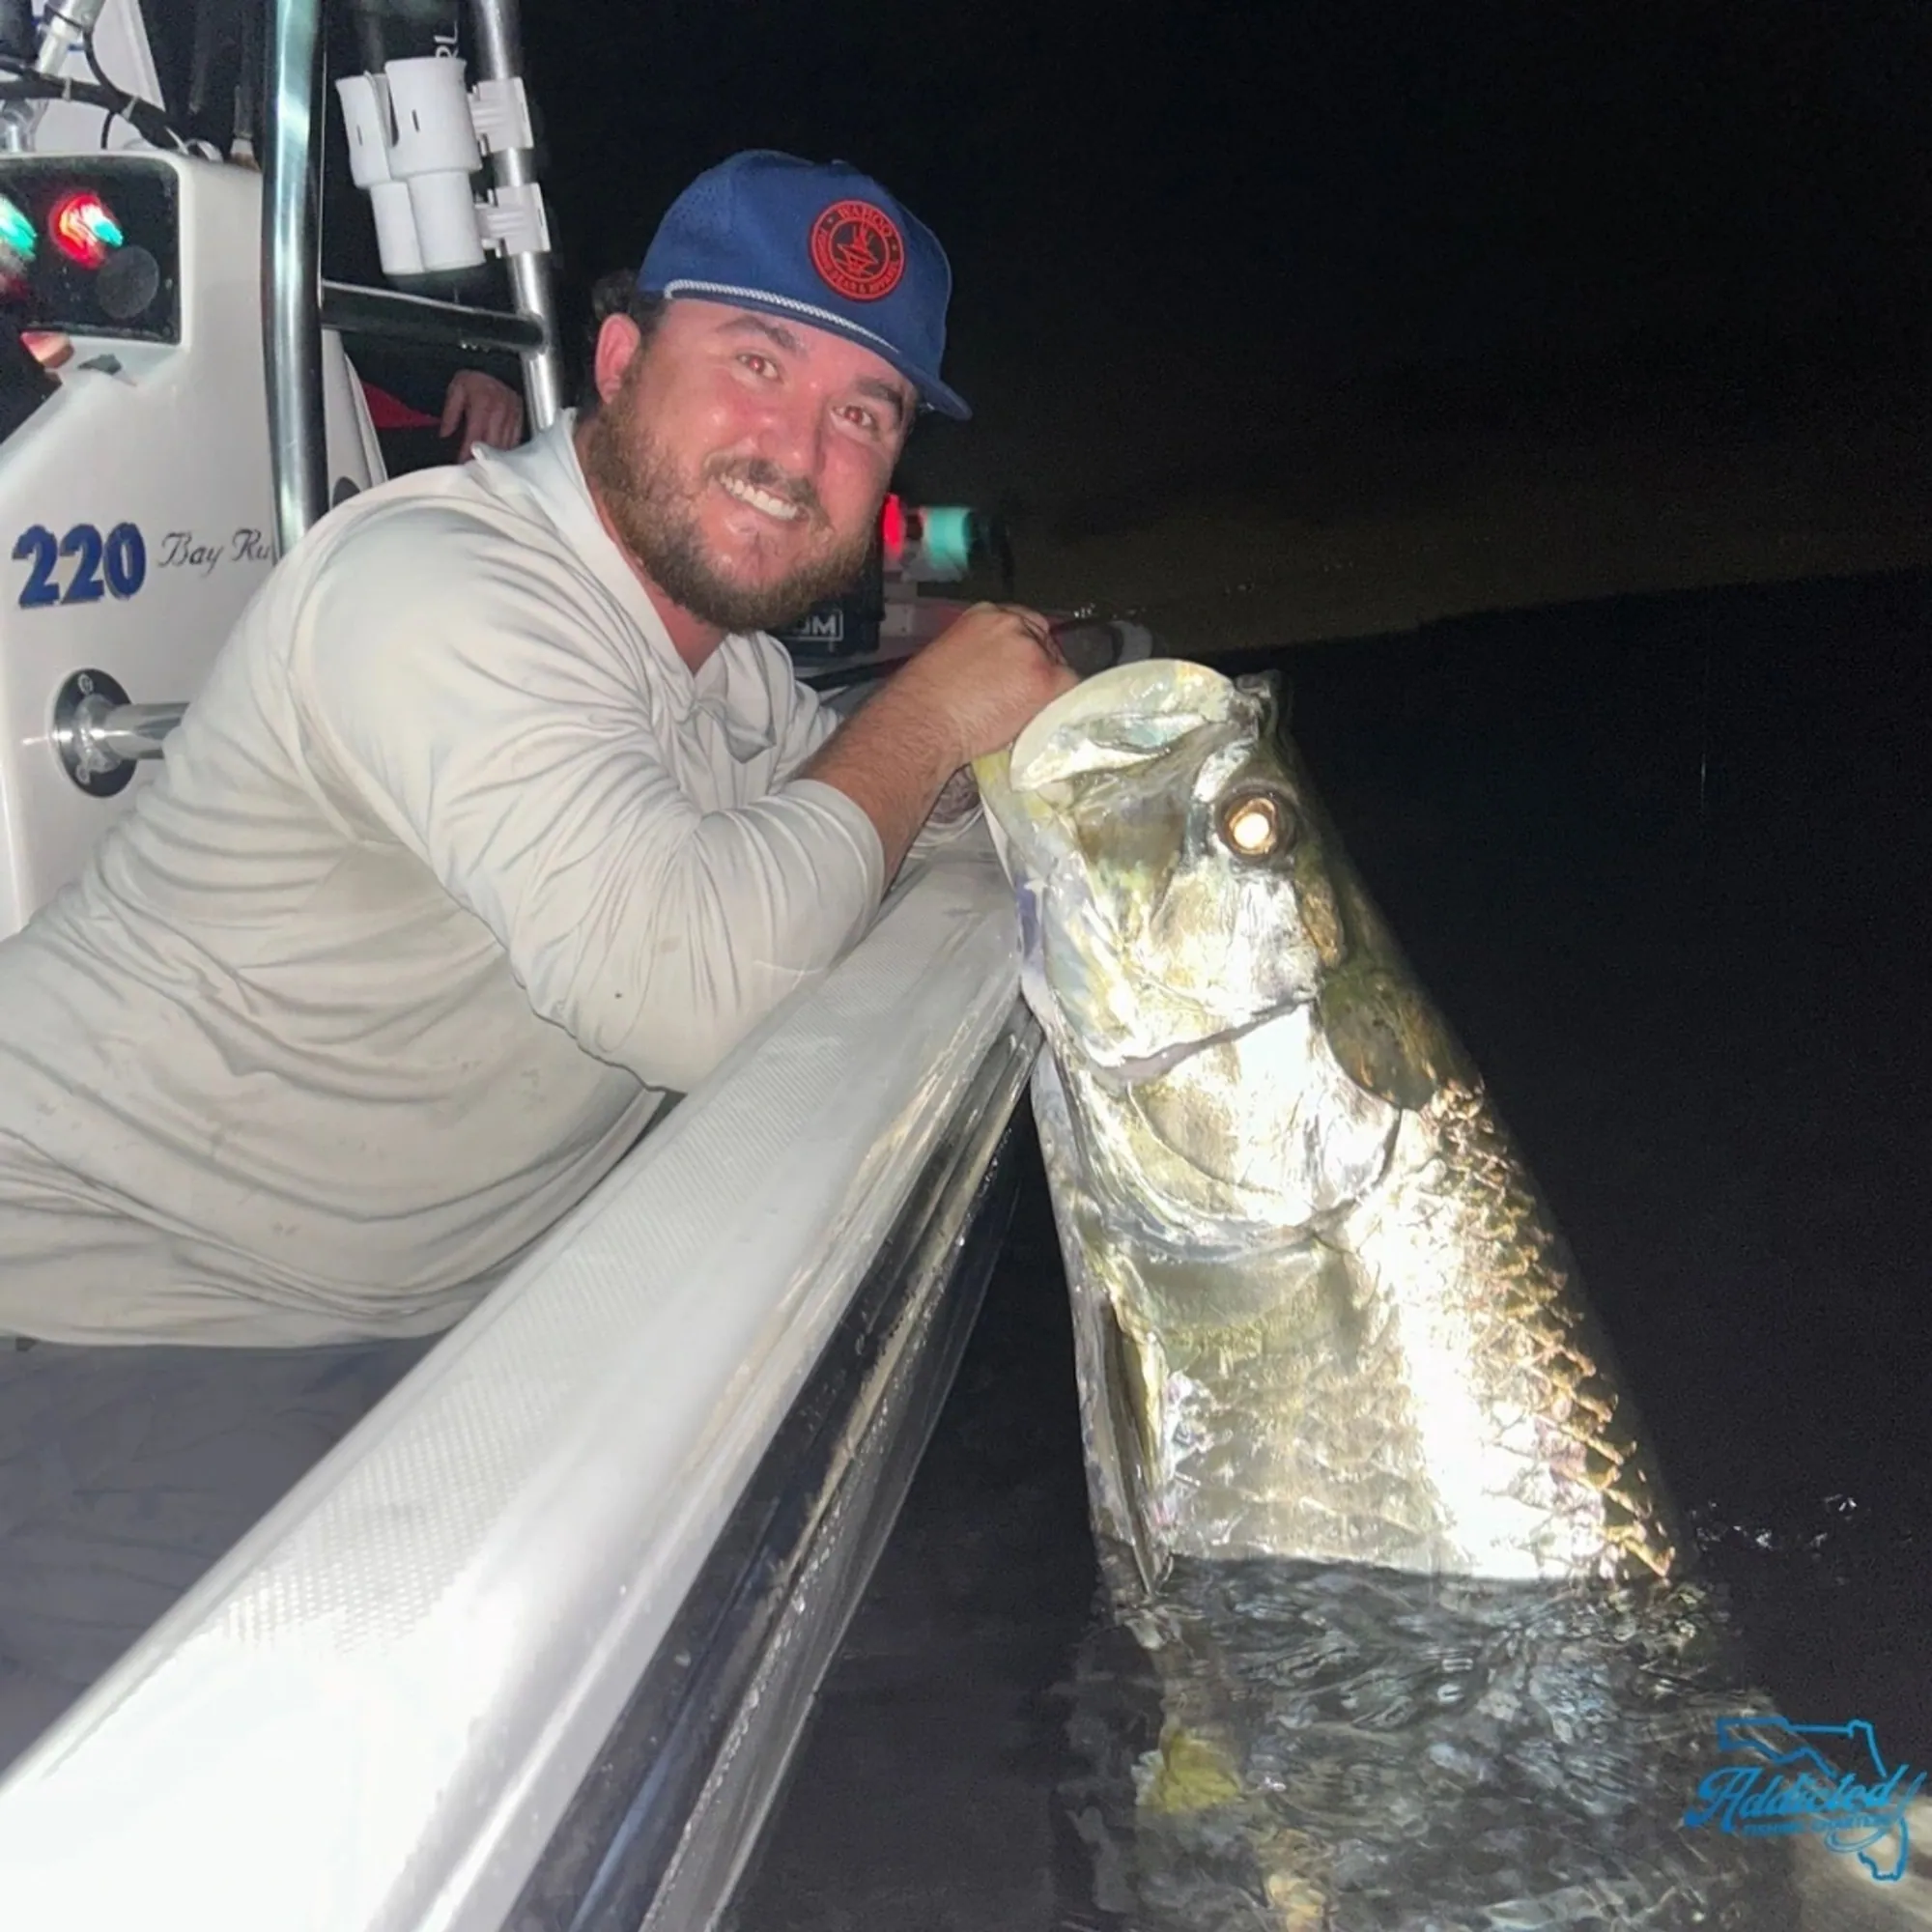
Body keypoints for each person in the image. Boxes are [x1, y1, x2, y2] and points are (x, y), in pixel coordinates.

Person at [0, 149, 1070, 1763]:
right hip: (112, 1323)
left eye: (865, 411)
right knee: (329, 1800)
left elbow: (833, 826)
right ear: (623, 364)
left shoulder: (721, 668)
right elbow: (702, 984)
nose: (800, 448)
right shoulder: (442, 584)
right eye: (759, 365)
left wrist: (985, 752)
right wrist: (937, 717)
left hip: (403, 1318)